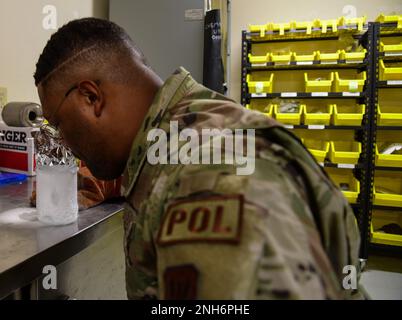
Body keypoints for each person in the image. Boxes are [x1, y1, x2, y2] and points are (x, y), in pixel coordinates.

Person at [34, 18, 365, 300]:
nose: (63, 140)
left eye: (59, 124)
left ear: (91, 97)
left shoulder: (208, 176)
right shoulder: (178, 138)